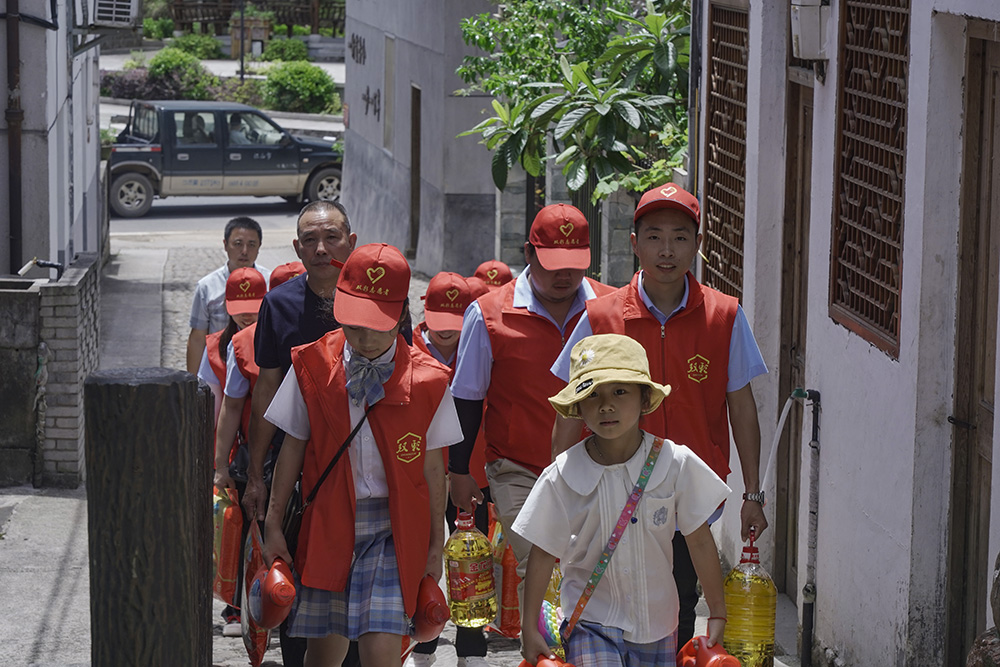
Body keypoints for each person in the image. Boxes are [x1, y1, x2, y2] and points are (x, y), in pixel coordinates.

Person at [550, 182, 768, 650]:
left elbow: (742, 408)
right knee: (607, 600)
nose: (666, 250)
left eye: (680, 237)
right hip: (608, 490)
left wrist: (753, 493)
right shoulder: (599, 316)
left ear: (697, 244)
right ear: (634, 243)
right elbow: (569, 411)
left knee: (679, 606)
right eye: (653, 236)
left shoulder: (725, 317)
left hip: (687, 495)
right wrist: (564, 490)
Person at [262, 243, 462, 667]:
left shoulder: (429, 382)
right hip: (329, 521)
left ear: (401, 317)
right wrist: (273, 523)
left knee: (382, 647)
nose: (365, 338)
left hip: (395, 527)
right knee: (325, 649)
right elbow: (292, 448)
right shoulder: (312, 366)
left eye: (377, 326)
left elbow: (433, 470)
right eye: (353, 326)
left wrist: (433, 547)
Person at [516, 334, 730, 667]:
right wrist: (529, 627)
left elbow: (699, 540)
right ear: (577, 407)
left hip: (657, 625)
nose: (606, 405)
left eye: (619, 391)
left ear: (645, 399)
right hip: (590, 622)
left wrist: (717, 610)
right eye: (592, 395)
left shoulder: (674, 463)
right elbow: (542, 554)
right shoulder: (562, 474)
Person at [448, 204, 617, 592]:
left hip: (600, 465)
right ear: (528, 253)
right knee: (538, 569)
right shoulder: (488, 314)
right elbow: (467, 398)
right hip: (519, 470)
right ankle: (544, 652)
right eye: (552, 261)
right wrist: (459, 471)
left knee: (595, 574)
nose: (565, 274)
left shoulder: (610, 307)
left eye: (575, 263)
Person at [242, 201, 356, 667]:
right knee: (291, 568)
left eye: (331, 237)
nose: (321, 247)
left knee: (354, 574)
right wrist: (254, 474)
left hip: (356, 462)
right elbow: (267, 386)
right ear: (296, 247)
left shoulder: (374, 296)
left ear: (350, 241)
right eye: (310, 239)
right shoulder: (280, 303)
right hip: (294, 470)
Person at [406, 272, 490, 667]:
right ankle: (423, 642)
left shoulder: (478, 345)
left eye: (454, 326)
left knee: (471, 556)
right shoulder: (408, 347)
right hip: (419, 472)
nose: (445, 334)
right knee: (425, 555)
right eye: (438, 324)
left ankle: (471, 647)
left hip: (469, 471)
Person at [196, 266, 266, 636]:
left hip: (270, 447)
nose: (247, 313)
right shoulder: (215, 348)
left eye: (254, 304)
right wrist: (217, 461)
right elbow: (217, 406)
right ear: (227, 305)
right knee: (236, 531)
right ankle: (236, 606)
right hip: (238, 453)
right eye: (240, 306)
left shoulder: (272, 338)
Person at [186, 217, 270, 375]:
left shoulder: (270, 282)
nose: (244, 251)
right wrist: (193, 384)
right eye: (238, 244)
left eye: (251, 245)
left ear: (259, 247)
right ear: (225, 245)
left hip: (258, 369)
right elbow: (197, 338)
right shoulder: (207, 287)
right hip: (218, 370)